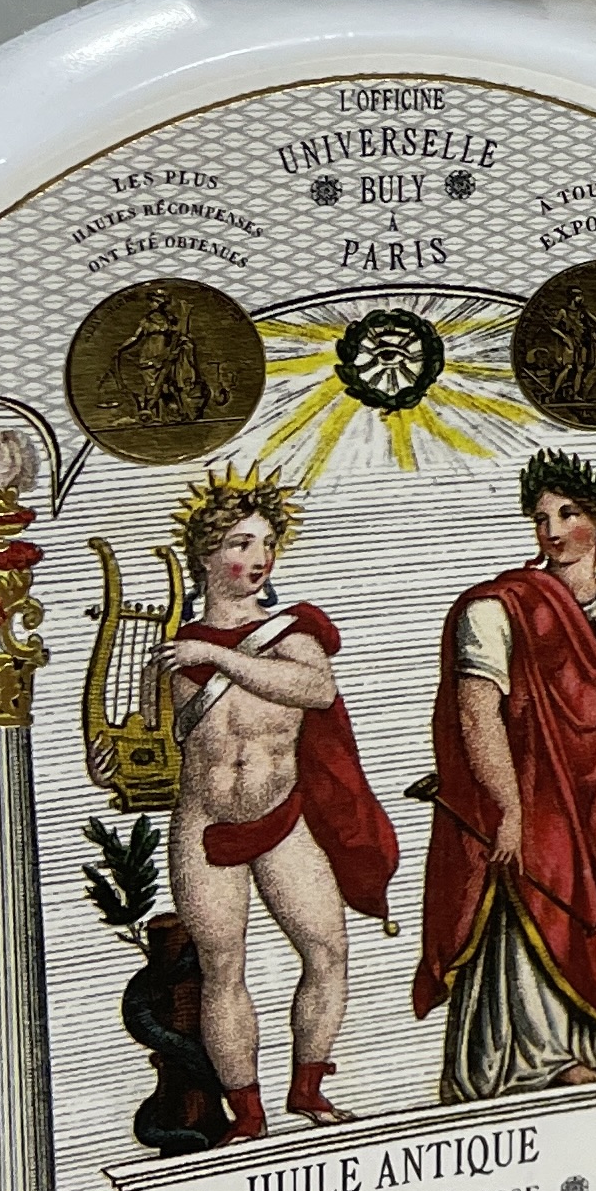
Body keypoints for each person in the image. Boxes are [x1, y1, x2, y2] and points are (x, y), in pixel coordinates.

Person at [415, 449, 596, 1100]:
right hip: (528, 779)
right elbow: (477, 712)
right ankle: (536, 1051)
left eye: (568, 513)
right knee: (544, 889)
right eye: (541, 518)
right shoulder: (498, 608)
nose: (553, 530)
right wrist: (508, 807)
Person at [165, 469, 400, 1136]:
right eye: (241, 543)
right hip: (205, 821)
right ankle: (247, 1114)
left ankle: (309, 1089)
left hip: (283, 819)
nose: (259, 557)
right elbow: (154, 734)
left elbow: (316, 690)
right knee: (222, 967)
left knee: (327, 951)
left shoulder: (292, 633)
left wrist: (219, 657)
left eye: (267, 543)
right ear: (206, 554)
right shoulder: (174, 644)